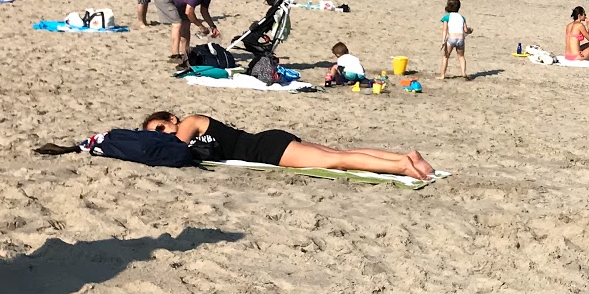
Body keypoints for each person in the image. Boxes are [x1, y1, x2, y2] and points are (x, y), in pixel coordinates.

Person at [142, 112, 436, 181]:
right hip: (268, 142)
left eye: (159, 129)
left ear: (170, 118)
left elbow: (175, 148)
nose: (161, 135)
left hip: (265, 148)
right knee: (337, 154)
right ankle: (406, 157)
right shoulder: (185, 131)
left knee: (337, 161)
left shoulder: (189, 122)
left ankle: (400, 166)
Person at [156, 0, 225, 68]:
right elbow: (189, 12)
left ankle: (184, 54)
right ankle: (175, 55)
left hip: (179, 1)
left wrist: (213, 26)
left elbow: (204, 11)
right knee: (177, 23)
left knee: (186, 24)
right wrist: (201, 26)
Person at [440, 0, 472, 80]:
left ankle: (442, 75)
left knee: (446, 56)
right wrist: (470, 30)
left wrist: (443, 41)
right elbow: (465, 30)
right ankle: (463, 73)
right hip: (460, 39)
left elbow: (445, 30)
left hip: (451, 38)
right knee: (461, 56)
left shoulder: (447, 17)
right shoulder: (462, 17)